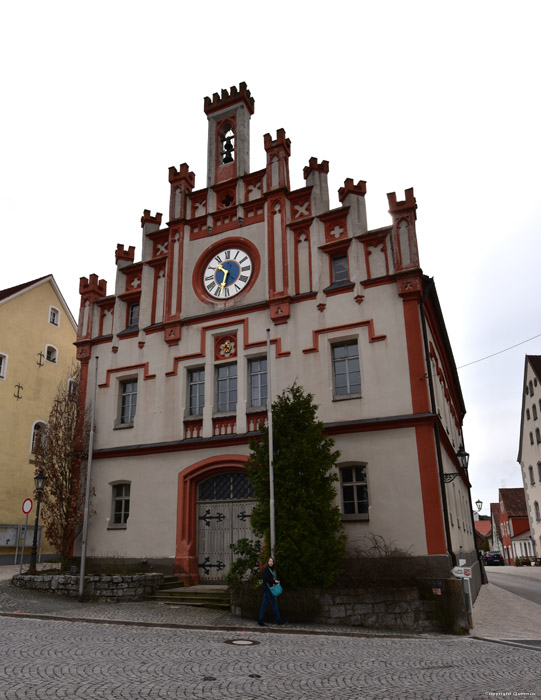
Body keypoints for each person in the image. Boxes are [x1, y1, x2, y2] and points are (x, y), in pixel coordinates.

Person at [258, 557, 287, 626]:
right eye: (270, 561)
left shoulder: (269, 569)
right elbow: (266, 579)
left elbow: (268, 579)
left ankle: (260, 620)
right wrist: (274, 581)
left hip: (268, 589)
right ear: (267, 562)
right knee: (274, 604)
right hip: (268, 590)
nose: (271, 562)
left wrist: (273, 581)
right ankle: (279, 620)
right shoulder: (266, 570)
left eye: (272, 561)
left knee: (264, 605)